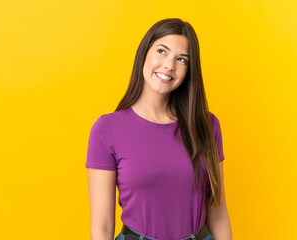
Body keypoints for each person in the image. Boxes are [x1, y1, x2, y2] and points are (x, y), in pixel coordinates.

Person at [86, 18, 232, 240]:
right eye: (162, 51)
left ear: (188, 71)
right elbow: (102, 227)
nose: (169, 65)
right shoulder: (107, 129)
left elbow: (218, 215)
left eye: (181, 59)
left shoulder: (206, 125)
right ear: (144, 53)